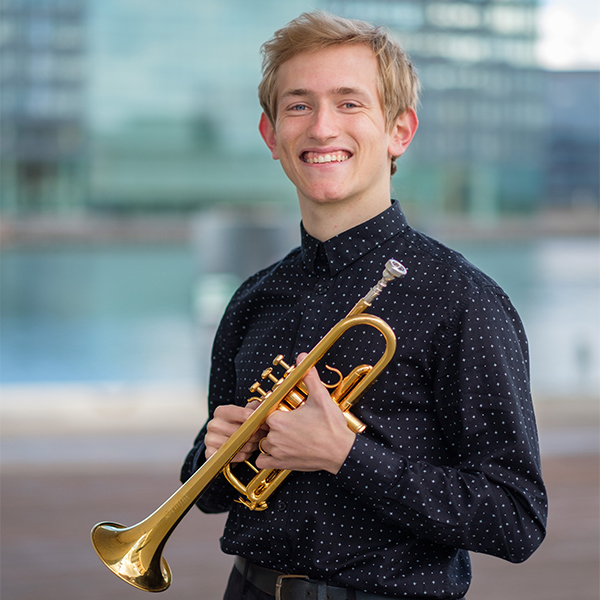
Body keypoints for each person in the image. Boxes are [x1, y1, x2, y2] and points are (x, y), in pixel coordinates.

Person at [181, 11, 547, 600]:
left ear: (399, 131)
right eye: (299, 105)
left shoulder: (461, 299)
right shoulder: (254, 298)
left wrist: (345, 454)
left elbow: (516, 517)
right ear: (271, 136)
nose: (322, 127)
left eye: (349, 103)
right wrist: (219, 451)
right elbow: (208, 494)